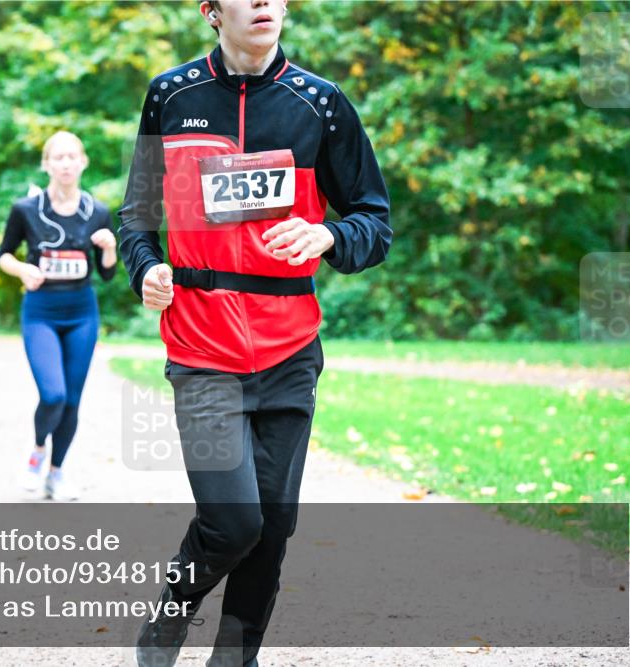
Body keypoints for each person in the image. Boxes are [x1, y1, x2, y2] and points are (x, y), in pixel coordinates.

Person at [118, 1, 392, 665]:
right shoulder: (171, 94)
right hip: (200, 345)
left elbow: (374, 222)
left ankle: (236, 656)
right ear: (213, 11)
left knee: (273, 529)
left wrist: (329, 232)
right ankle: (173, 610)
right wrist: (148, 268)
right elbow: (136, 219)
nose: (265, 3)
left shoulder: (321, 104)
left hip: (290, 348)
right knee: (235, 522)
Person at [0, 131, 117, 501]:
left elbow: (107, 273)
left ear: (83, 162)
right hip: (41, 313)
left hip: (82, 311)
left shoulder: (96, 212)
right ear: (46, 164)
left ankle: (57, 471)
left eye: (72, 157)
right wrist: (21, 270)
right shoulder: (25, 210)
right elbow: (4, 254)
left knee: (72, 400)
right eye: (58, 157)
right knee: (53, 394)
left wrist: (110, 247)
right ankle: (37, 452)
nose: (65, 164)